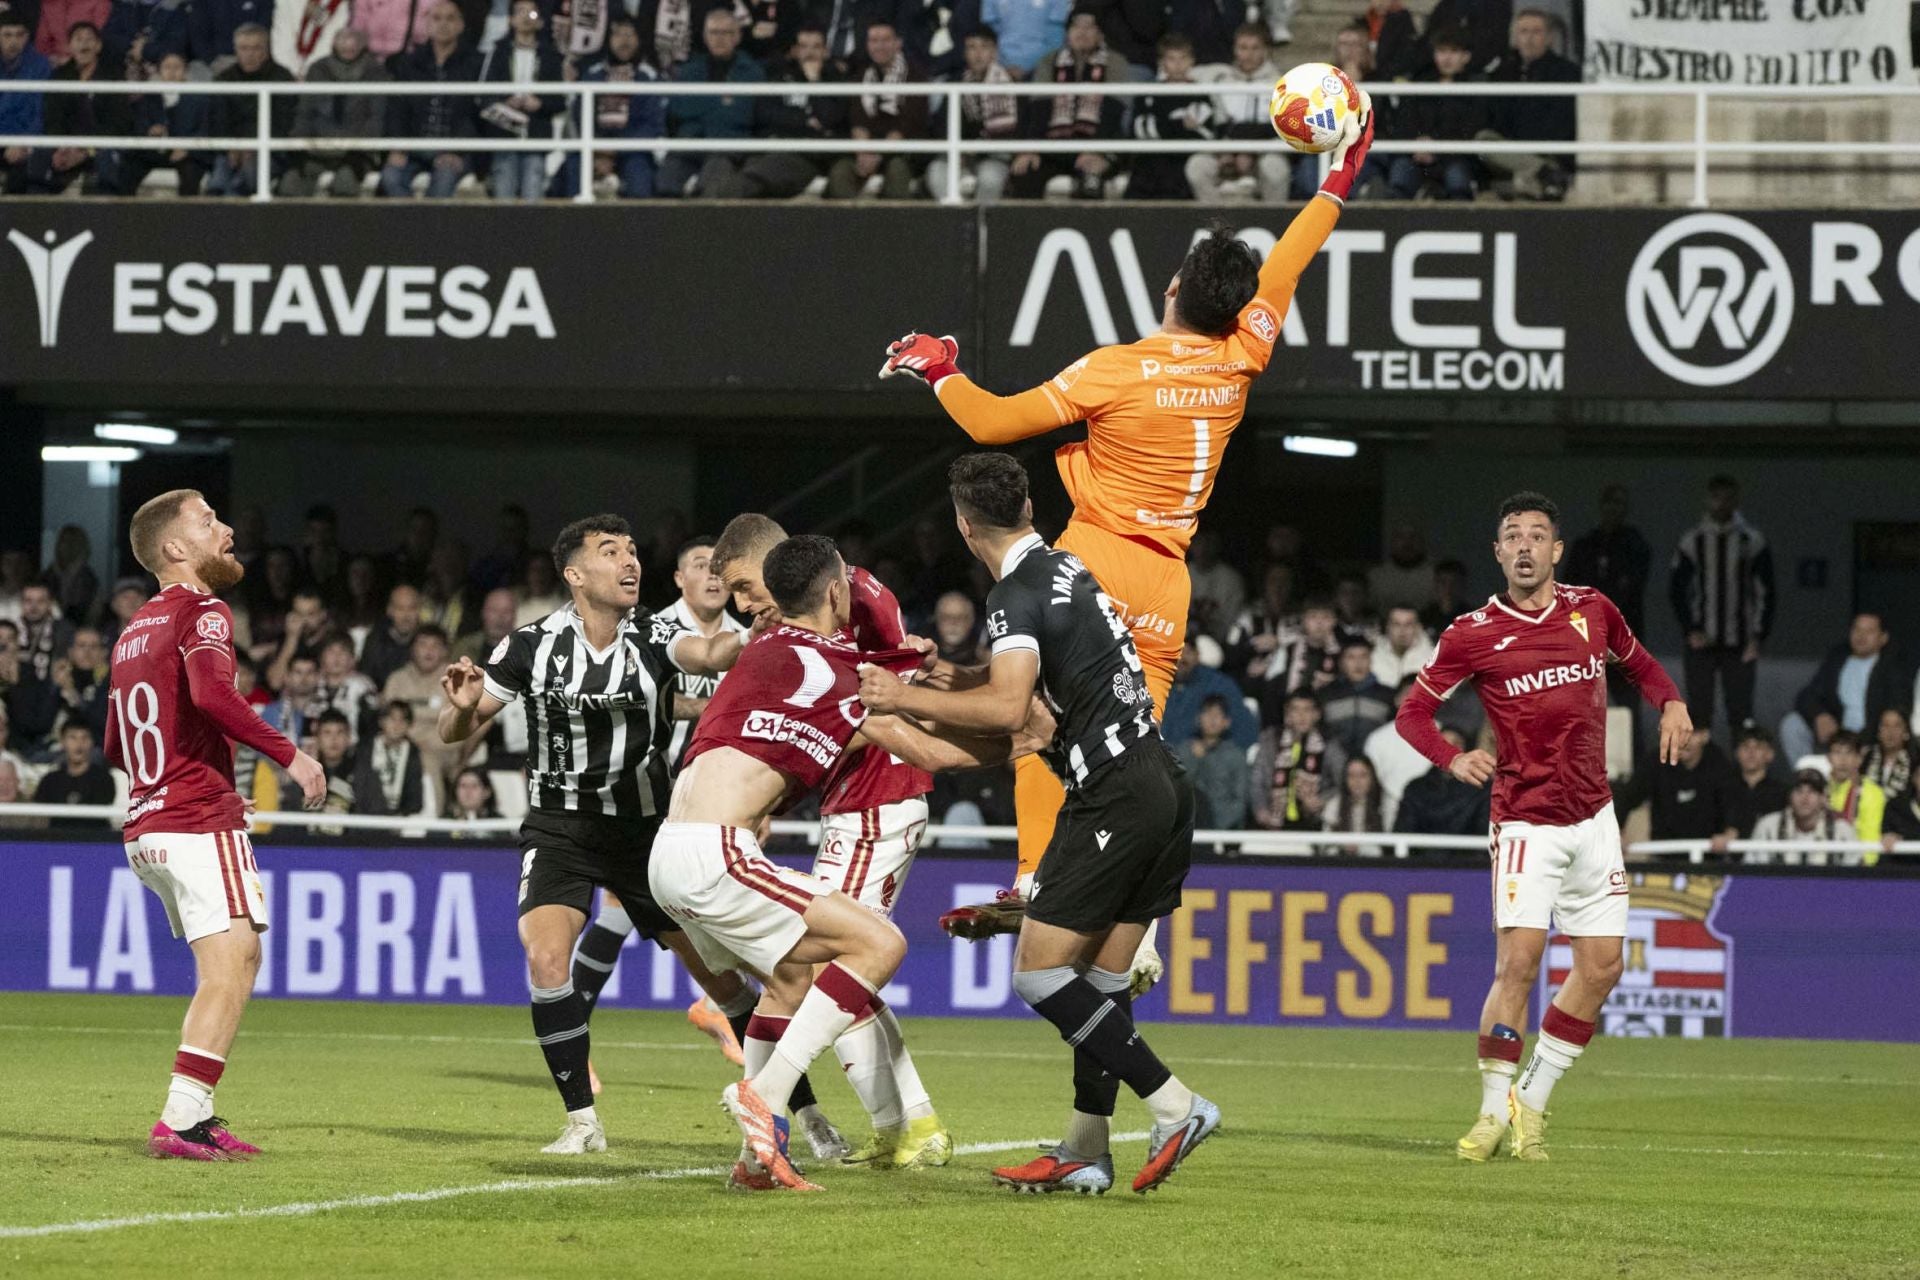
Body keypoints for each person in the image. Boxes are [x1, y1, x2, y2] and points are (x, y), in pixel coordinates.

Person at [878, 98, 1375, 962]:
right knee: (1123, 745)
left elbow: (992, 423)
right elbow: (1290, 260)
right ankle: (1124, 911)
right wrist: (1338, 176)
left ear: (1174, 288)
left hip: (1095, 564)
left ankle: (1035, 877)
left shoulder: (1118, 370)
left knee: (1034, 722)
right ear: (1238, 306)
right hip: (1168, 581)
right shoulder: (1243, 355)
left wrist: (939, 368)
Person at [856, 453, 1219, 1197]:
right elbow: (1024, 696)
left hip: (1112, 794)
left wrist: (898, 695)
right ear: (1027, 507)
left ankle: (1175, 1104)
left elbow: (1007, 709)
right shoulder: (1066, 569)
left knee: (1040, 974)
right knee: (1102, 982)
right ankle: (1085, 1150)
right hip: (1160, 782)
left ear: (964, 527)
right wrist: (937, 676)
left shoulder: (1013, 594)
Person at [653, 531, 1034, 1191]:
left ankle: (757, 1160)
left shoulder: (764, 645)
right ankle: (770, 1096)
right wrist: (1024, 740)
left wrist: (911, 662)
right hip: (721, 848)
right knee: (876, 946)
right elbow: (930, 747)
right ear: (835, 592)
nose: (743, 604)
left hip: (673, 848)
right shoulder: (840, 668)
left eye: (745, 589)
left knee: (792, 981)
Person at [435, 514, 766, 1156]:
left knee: (721, 979)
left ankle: (802, 1112)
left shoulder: (654, 633)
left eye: (633, 550)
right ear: (575, 574)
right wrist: (462, 704)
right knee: (545, 960)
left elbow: (710, 654)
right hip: (558, 828)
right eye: (611, 551)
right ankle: (582, 1122)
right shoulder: (530, 645)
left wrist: (763, 629)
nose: (629, 561)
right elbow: (455, 730)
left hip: (645, 833)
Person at [1395, 490, 1689, 1163]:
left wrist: (1670, 702)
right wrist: (1451, 756)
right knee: (1519, 965)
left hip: (1594, 818)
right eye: (1513, 536)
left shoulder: (1594, 610)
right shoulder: (1471, 632)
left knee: (1602, 967)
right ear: (1498, 553)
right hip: (1526, 823)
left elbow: (1641, 664)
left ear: (1557, 549)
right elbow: (1412, 714)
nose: (1525, 545)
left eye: (1536, 535)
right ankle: (1489, 1113)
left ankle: (1531, 1099)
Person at [709, 512, 949, 1167]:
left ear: (775, 563)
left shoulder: (855, 596)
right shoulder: (795, 622)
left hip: (880, 797)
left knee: (830, 965)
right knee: (842, 970)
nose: (741, 604)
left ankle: (900, 1126)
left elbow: (886, 701)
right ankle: (911, 1123)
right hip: (852, 804)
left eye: (743, 586)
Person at [104, 488, 328, 1160]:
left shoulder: (133, 631)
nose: (226, 529)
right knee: (231, 967)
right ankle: (179, 1118)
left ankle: (195, 1114)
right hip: (196, 818)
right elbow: (212, 694)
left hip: (147, 823)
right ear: (175, 547)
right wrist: (290, 754)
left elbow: (115, 743)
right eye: (208, 522)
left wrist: (173, 774)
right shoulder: (203, 609)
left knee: (237, 958)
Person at [1669, 474, 1773, 737]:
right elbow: (1677, 590)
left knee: (1741, 713)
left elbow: (1767, 591)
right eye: (1717, 498)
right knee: (1698, 712)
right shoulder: (1693, 541)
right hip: (1701, 640)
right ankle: (1699, 763)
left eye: (1728, 498)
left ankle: (1743, 763)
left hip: (1740, 641)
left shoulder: (1751, 540)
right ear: (1708, 500)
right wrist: (1690, 629)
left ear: (1736, 501)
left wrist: (1758, 636)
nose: (1722, 504)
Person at [1006, 6, 1127, 200]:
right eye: (1076, 27)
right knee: (1025, 173)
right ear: (1067, 32)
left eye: (1089, 27)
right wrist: (1031, 149)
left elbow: (1113, 112)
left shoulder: (1115, 62)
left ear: (1100, 34)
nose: (1082, 32)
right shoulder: (1049, 61)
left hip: (1099, 143)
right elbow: (1039, 109)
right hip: (1054, 144)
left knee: (1091, 181)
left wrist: (1097, 150)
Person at [379, 1, 483, 200]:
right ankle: (416, 220)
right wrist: (398, 147)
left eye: (450, 18)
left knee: (444, 179)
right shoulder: (409, 63)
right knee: (391, 177)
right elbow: (397, 109)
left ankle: (427, 221)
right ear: (426, 24)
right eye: (436, 18)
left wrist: (456, 151)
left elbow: (475, 114)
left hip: (455, 149)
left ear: (461, 25)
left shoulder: (475, 63)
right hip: (414, 146)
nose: (443, 24)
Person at [657, 9, 764, 197]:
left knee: (712, 188)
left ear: (737, 37)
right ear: (705, 37)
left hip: (727, 148)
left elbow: (743, 115)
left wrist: (702, 104)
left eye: (726, 33)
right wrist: (721, 102)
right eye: (714, 32)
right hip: (689, 144)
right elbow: (678, 110)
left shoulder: (752, 72)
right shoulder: (690, 71)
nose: (719, 39)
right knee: (664, 184)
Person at [1478, 7, 1579, 200]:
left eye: (1536, 32)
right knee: (1483, 140)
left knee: (1524, 181)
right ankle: (1544, 173)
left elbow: (1563, 123)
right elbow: (1494, 117)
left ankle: (1541, 174)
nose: (1529, 38)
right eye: (1523, 32)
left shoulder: (1567, 73)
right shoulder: (1502, 73)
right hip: (1510, 154)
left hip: (1549, 153)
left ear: (1549, 38)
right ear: (1515, 37)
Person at [1779, 613, 1906, 765]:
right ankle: (1806, 775)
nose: (1861, 636)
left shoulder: (1892, 667)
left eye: (1869, 631)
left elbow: (1897, 708)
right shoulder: (1838, 658)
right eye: (1857, 629)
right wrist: (1820, 715)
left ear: (1883, 638)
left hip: (1870, 739)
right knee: (1792, 724)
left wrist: (1865, 740)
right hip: (1836, 734)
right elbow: (1807, 695)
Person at [280, 25, 386, 199]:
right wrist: (298, 144)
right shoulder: (318, 70)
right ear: (334, 44)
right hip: (316, 148)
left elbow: (376, 118)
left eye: (353, 45)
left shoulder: (375, 72)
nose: (348, 48)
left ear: (362, 46)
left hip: (356, 152)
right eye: (343, 43)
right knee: (290, 182)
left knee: (345, 181)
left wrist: (359, 146)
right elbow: (305, 113)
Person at [825, 18, 925, 200]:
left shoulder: (916, 75)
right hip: (865, 151)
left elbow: (908, 123)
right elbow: (857, 119)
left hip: (901, 152)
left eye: (885, 40)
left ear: (898, 43)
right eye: (874, 40)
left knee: (897, 171)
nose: (879, 46)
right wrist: (863, 154)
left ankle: (894, 220)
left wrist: (879, 155)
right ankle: (849, 219)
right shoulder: (860, 75)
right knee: (840, 172)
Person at [1184, 23, 1283, 203]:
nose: (1249, 54)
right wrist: (1227, 151)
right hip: (1226, 148)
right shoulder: (1220, 77)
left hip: (1265, 149)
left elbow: (1277, 128)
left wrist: (1248, 152)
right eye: (1243, 48)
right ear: (1235, 50)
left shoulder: (1280, 82)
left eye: (1255, 48)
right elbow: (1183, 71)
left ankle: (1276, 219)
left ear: (1265, 51)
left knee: (1275, 169)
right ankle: (1217, 218)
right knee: (1197, 166)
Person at [1385, 27, 1486, 201]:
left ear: (1466, 56)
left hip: (1455, 158)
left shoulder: (1475, 90)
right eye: (1441, 51)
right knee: (1400, 174)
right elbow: (1403, 123)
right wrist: (1416, 144)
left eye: (1453, 52)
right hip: (1415, 157)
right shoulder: (1419, 85)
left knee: (1458, 179)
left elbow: (1472, 130)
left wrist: (1437, 146)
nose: (1446, 58)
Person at [480, 0, 565, 201]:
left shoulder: (552, 56)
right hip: (503, 134)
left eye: (532, 13)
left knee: (533, 182)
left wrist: (540, 104)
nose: (526, 17)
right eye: (520, 12)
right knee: (504, 182)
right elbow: (483, 95)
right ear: (510, 20)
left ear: (541, 21)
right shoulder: (497, 53)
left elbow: (560, 101)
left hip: (536, 134)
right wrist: (506, 101)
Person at [924, 25, 1015, 203]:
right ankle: (954, 219)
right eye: (972, 47)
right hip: (961, 157)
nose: (978, 54)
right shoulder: (956, 84)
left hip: (995, 157)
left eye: (984, 47)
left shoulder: (1012, 84)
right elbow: (941, 124)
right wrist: (958, 152)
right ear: (965, 53)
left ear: (995, 52)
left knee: (989, 179)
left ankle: (982, 221)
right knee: (936, 172)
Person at [1124, 31, 1217, 201]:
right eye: (1171, 59)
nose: (1178, 65)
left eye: (1183, 58)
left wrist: (1161, 127)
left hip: (1182, 163)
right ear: (1162, 62)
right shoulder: (1148, 94)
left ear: (1192, 61)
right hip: (1149, 162)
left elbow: (1204, 135)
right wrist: (1180, 125)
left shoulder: (1201, 95)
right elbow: (1138, 130)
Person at [205, 23, 294, 197]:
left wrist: (252, 146)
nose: (249, 54)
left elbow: (283, 124)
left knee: (239, 186)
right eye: (244, 48)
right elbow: (217, 120)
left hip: (271, 152)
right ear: (236, 50)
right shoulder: (224, 79)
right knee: (216, 187)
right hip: (229, 149)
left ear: (266, 49)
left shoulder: (282, 79)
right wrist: (231, 146)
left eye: (256, 48)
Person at [1613, 728, 1733, 842]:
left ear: (1705, 735)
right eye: (1678, 732)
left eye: (1692, 733)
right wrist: (1616, 831)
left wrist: (1730, 832)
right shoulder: (1655, 762)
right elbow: (1627, 796)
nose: (1684, 741)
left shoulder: (1719, 765)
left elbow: (1732, 802)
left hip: (1708, 853)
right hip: (1664, 853)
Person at [1251, 688, 1337, 832]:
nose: (1301, 716)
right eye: (1295, 710)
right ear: (1287, 714)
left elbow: (1343, 784)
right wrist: (1261, 809)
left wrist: (1321, 800)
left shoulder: (1329, 745)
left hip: (1314, 823)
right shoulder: (1270, 740)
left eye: (1307, 710)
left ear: (1317, 714)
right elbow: (1257, 781)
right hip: (1271, 821)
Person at [1160, 637, 1257, 753]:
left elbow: (1245, 732)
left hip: (1203, 759)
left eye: (1188, 652)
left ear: (1197, 655)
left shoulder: (1219, 685)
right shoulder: (1152, 683)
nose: (1181, 658)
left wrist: (1211, 749)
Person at [1747, 770, 1859, 866]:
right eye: (1798, 791)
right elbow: (1751, 872)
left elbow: (1856, 875)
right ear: (1789, 796)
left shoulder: (1841, 830)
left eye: (1812, 791)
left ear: (1823, 798)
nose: (1805, 798)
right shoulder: (1768, 826)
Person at [1173, 693, 1248, 829]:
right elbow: (1178, 790)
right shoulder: (1185, 751)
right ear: (1198, 718)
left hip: (1224, 828)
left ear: (1226, 722)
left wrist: (1216, 826)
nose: (1212, 719)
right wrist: (1195, 760)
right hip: (1190, 826)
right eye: (1207, 713)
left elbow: (1240, 801)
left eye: (1218, 714)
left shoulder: (1236, 756)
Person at [1318, 635, 1394, 759]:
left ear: (1371, 660)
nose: (1358, 664)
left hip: (1375, 760)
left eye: (1364, 657)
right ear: (1341, 662)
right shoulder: (1326, 695)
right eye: (1351, 657)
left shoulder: (1387, 696)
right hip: (1334, 762)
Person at [351, 700, 427, 817]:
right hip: (366, 818)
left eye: (403, 720)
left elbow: (415, 795)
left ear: (409, 725)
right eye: (392, 719)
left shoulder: (413, 753)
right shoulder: (365, 749)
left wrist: (402, 814)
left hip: (400, 819)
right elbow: (358, 788)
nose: (397, 725)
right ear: (381, 721)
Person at [32, 721, 115, 825]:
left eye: (84, 738)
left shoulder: (104, 779)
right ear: (62, 742)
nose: (79, 745)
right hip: (56, 835)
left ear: (92, 742)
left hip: (93, 834)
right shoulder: (49, 781)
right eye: (73, 738)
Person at [1720, 725, 1787, 842]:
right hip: (1727, 853)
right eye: (1745, 746)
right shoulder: (1722, 790)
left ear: (1770, 754)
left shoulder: (1781, 792)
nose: (1751, 752)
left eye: (1758, 747)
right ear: (1736, 753)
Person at [1323, 754, 1395, 854]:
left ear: (1372, 777)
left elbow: (1390, 842)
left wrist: (1361, 846)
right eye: (1351, 776)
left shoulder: (1385, 803)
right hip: (1341, 857)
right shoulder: (1335, 804)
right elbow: (1326, 842)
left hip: (1376, 859)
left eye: (1362, 775)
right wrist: (1343, 844)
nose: (1357, 781)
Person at [1825, 731, 1885, 851]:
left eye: (1849, 753)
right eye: (1837, 752)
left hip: (1857, 859)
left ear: (1859, 758)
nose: (1843, 760)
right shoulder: (1820, 790)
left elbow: (1871, 841)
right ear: (1828, 758)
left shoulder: (1873, 793)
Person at [1371, 604, 1434, 688]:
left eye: (1408, 624)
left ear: (1417, 627)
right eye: (1396, 624)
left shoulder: (1433, 660)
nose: (1402, 630)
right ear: (1388, 627)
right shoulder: (1372, 656)